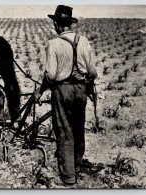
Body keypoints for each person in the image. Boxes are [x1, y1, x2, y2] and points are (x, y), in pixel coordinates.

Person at [34, 5, 98, 185]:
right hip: (81, 90)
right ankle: (76, 165)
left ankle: (69, 177)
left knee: (64, 131)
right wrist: (89, 87)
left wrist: (40, 90)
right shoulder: (83, 41)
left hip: (63, 91)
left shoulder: (54, 44)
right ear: (69, 23)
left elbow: (51, 76)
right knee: (78, 128)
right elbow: (92, 72)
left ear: (56, 24)